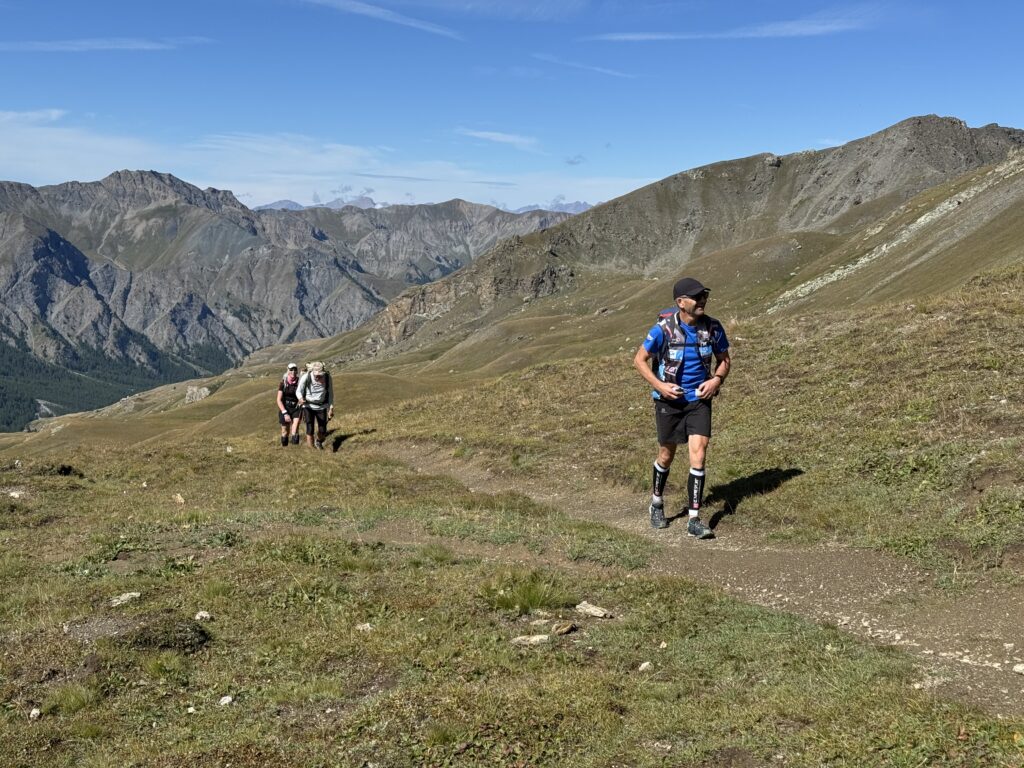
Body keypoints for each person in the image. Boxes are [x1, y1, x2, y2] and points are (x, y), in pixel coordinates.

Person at [632, 277, 731, 537]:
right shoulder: (662, 329)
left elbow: (724, 360)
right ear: (680, 302)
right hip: (669, 401)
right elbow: (639, 360)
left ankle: (694, 519)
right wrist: (660, 386)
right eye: (696, 297)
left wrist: (715, 380)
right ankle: (656, 502)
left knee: (699, 451)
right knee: (667, 453)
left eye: (704, 296)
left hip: (699, 400)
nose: (702, 301)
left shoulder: (713, 328)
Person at [296, 361, 333, 449]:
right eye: (316, 374)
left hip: (322, 406)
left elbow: (330, 393)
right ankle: (311, 450)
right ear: (312, 371)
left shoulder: (327, 377)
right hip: (308, 405)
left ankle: (318, 441)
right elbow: (298, 391)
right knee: (310, 428)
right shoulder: (306, 377)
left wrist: (331, 408)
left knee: (322, 430)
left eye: (320, 375)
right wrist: (300, 398)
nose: (317, 376)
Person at [276, 363, 302, 446]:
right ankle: (285, 449)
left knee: (295, 428)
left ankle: (295, 449)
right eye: (291, 370)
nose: (293, 371)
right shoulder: (283, 383)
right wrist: (285, 413)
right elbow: (278, 400)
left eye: (295, 370)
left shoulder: (300, 382)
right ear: (287, 370)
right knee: (285, 431)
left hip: (296, 407)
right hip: (285, 408)